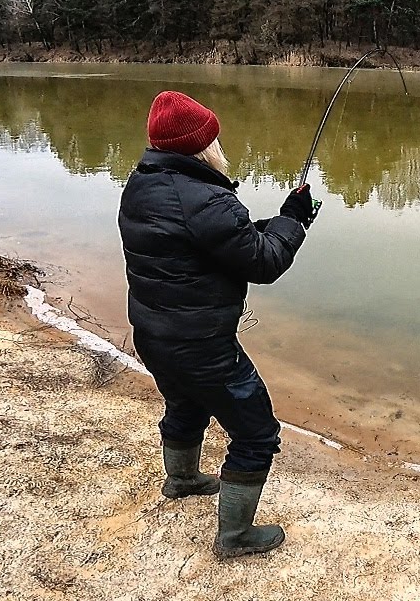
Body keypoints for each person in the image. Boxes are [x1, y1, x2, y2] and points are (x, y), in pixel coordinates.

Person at [117, 90, 318, 560]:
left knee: (186, 404)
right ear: (201, 146)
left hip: (153, 335)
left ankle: (182, 480)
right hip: (202, 345)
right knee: (256, 434)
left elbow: (218, 242)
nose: (221, 146)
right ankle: (235, 536)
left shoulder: (143, 185)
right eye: (215, 138)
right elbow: (264, 262)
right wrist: (294, 222)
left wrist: (277, 221)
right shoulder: (207, 199)